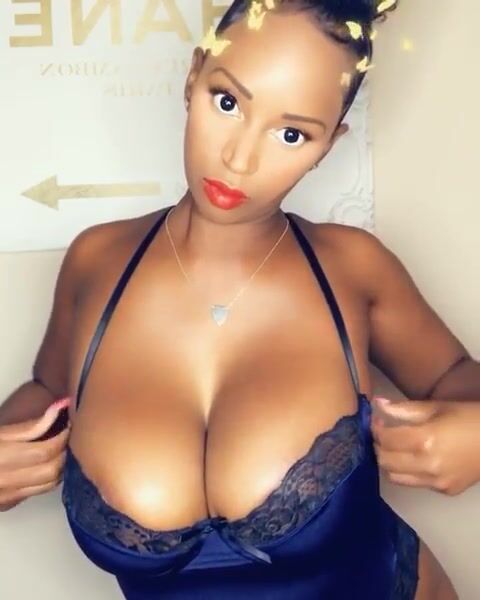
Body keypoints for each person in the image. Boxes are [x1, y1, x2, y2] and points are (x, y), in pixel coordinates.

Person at [1, 0, 479, 598]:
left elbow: (455, 375)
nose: (239, 158)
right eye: (227, 102)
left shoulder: (353, 269)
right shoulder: (96, 261)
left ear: (329, 145)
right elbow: (50, 391)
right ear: (193, 75)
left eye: (291, 134)